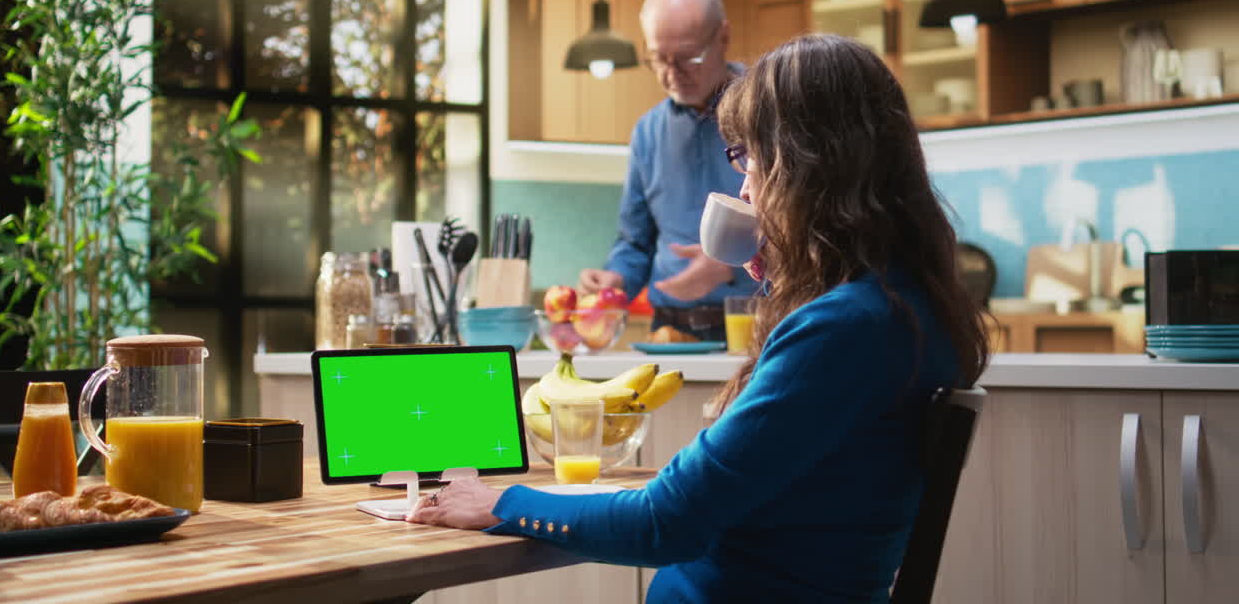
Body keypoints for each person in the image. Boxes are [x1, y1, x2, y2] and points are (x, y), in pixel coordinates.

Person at [408, 34, 990, 603]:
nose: (745, 189)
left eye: (750, 162)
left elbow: (666, 524)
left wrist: (503, 503)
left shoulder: (842, 330)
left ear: (808, 169)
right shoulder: (911, 310)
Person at [579, 0, 758, 342]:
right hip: (670, 327)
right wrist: (617, 279)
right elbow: (636, 242)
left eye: (688, 58)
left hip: (757, 324)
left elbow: (810, 236)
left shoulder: (769, 112)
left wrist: (733, 266)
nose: (672, 73)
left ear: (723, 38)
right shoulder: (647, 132)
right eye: (659, 58)